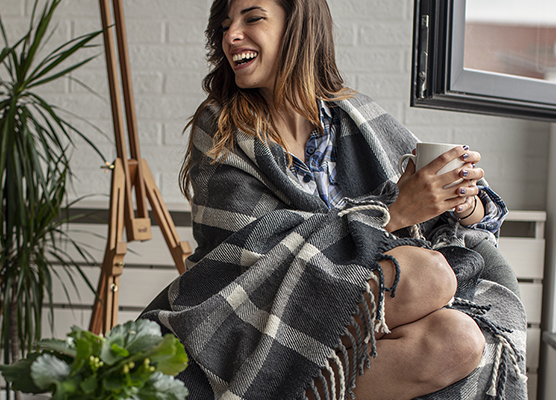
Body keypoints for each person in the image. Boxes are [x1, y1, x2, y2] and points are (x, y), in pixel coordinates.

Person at [139, 0, 527, 399]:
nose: (231, 36)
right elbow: (251, 258)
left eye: (252, 18)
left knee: (459, 338)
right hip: (259, 310)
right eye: (224, 26)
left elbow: (440, 214)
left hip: (354, 318)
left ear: (298, 27)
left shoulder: (356, 115)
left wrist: (463, 203)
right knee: (427, 275)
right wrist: (390, 214)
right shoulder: (222, 126)